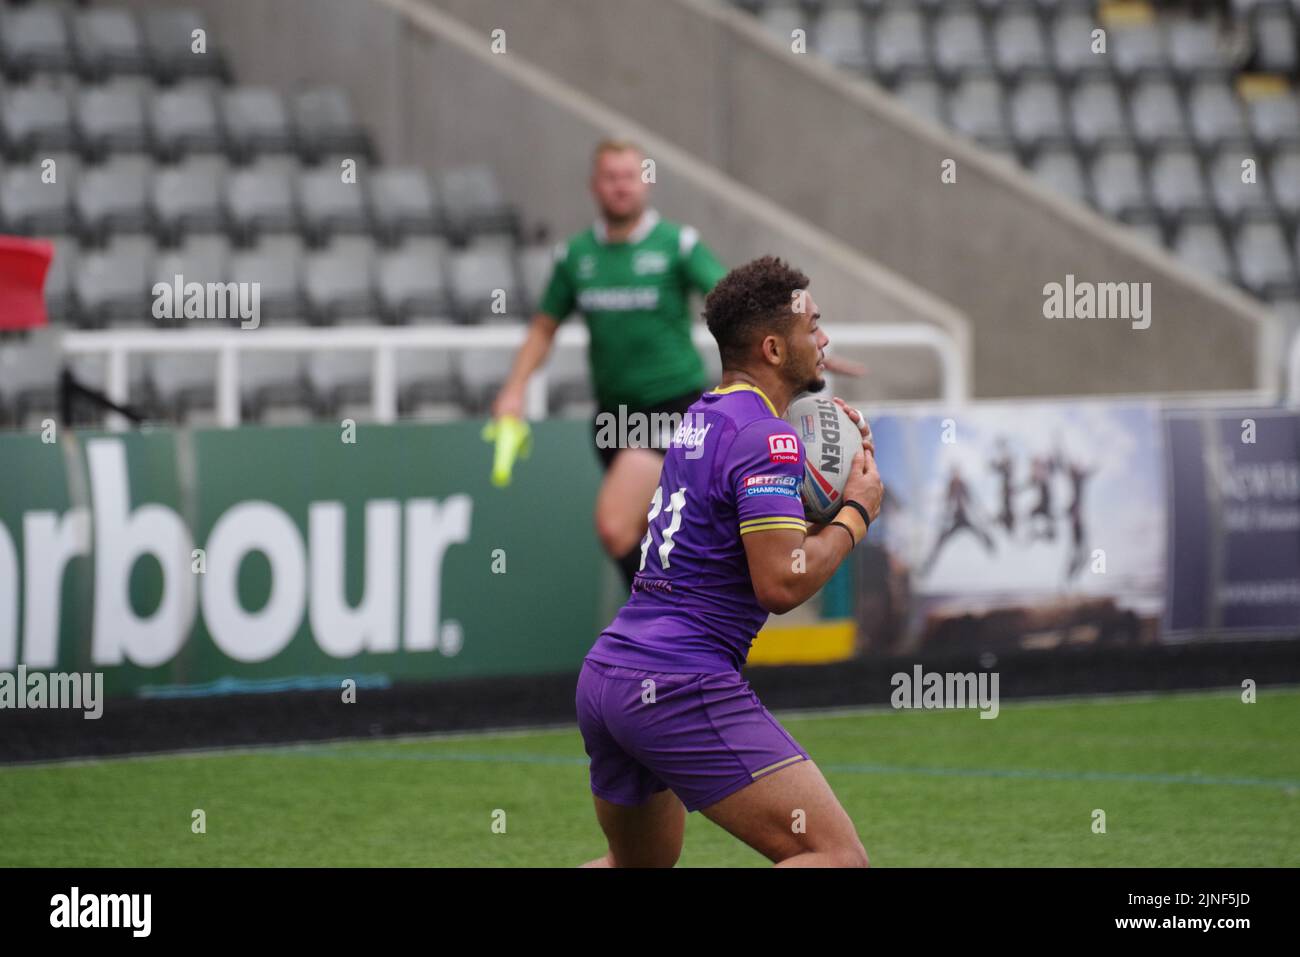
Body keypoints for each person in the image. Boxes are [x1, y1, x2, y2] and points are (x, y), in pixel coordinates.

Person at [574, 256, 883, 867]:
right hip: (678, 682)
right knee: (835, 856)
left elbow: (751, 539)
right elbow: (781, 579)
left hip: (610, 675)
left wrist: (828, 492)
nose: (823, 340)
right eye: (812, 327)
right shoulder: (768, 438)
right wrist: (857, 512)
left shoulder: (703, 417)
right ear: (773, 346)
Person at [491, 138, 860, 589]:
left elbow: (739, 305)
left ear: (645, 183)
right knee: (656, 532)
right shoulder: (576, 257)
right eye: (611, 177)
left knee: (614, 524)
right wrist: (514, 389)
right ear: (594, 185)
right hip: (612, 418)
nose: (621, 187)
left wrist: (802, 342)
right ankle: (682, 618)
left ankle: (670, 612)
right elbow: (544, 328)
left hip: (671, 408)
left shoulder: (675, 245)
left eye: (629, 176)